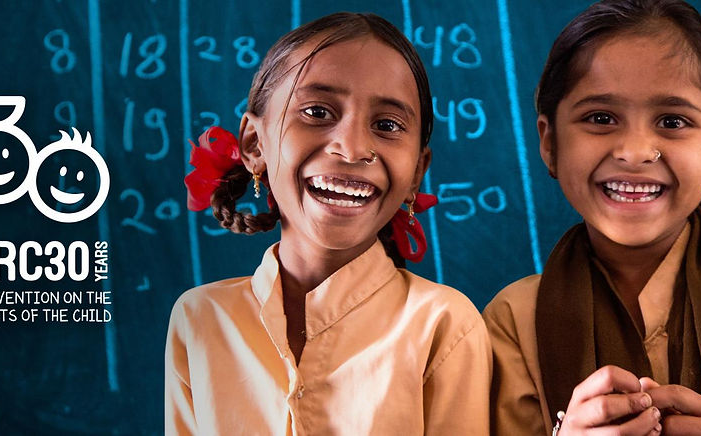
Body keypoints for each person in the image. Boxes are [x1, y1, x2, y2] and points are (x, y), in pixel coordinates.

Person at [483, 0, 701, 434]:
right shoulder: (514, 320)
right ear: (549, 142)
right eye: (600, 118)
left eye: (673, 121)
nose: (635, 152)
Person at [165, 12, 491, 435]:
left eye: (387, 125)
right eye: (317, 111)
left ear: (416, 173)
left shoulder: (444, 325)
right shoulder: (200, 320)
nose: (353, 148)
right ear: (252, 145)